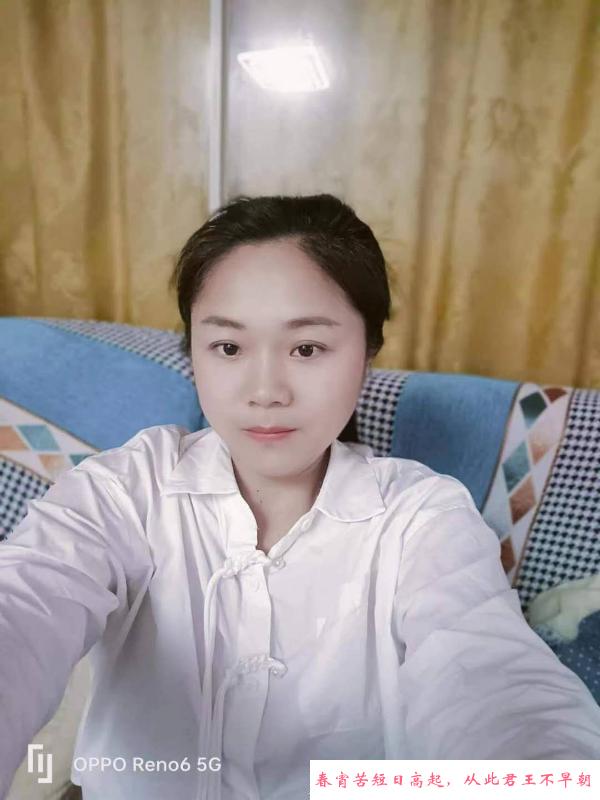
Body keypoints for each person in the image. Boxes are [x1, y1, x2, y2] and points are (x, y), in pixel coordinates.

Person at [1, 194, 600, 800]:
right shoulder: (127, 489)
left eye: (307, 348)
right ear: (195, 352)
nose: (265, 391)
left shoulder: (421, 518)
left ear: (367, 352)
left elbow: (493, 678)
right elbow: (24, 602)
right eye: (228, 348)